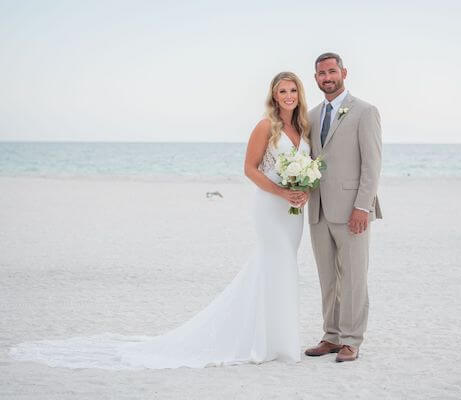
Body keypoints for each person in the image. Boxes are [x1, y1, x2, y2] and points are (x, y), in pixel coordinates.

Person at [9, 72, 311, 369]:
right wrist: (282, 192)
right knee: (274, 263)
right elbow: (250, 169)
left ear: (299, 95)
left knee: (282, 268)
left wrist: (303, 189)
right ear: (274, 96)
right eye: (282, 91)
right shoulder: (264, 127)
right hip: (270, 206)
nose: (288, 96)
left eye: (293, 91)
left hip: (293, 211)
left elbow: (307, 167)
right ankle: (269, 343)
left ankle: (278, 340)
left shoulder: (303, 127)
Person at [304, 52, 383, 362]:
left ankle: (351, 340)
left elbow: (372, 165)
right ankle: (332, 336)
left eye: (332, 71)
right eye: (321, 73)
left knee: (353, 276)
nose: (327, 77)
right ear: (316, 79)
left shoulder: (365, 112)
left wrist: (363, 207)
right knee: (328, 277)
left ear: (344, 72)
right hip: (318, 209)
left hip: (352, 209)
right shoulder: (310, 116)